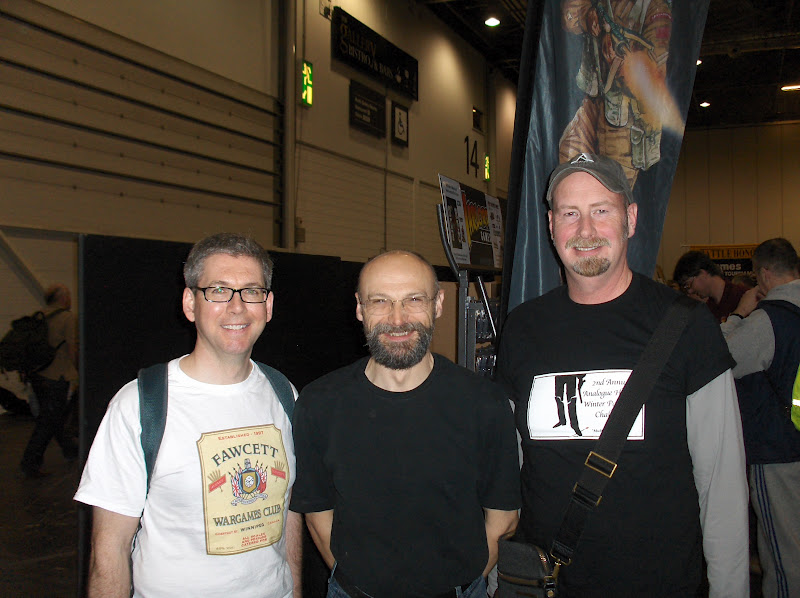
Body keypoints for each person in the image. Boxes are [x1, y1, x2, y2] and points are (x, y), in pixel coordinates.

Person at [496, 153, 749, 597]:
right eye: (570, 213)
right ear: (551, 225)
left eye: (601, 211)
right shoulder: (522, 329)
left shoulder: (687, 325)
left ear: (630, 219)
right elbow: (507, 466)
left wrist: (730, 589)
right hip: (548, 584)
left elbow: (722, 485)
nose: (585, 230)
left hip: (659, 584)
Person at [74, 233, 301, 598]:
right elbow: (109, 551)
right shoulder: (140, 405)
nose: (237, 307)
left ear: (268, 305)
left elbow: (287, 513)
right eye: (218, 290)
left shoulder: (283, 393)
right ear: (190, 303)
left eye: (251, 291)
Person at [290, 250, 520, 598]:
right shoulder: (318, 404)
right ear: (359, 308)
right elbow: (318, 513)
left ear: (438, 304)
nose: (397, 319)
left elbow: (504, 518)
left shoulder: (485, 404)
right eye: (380, 301)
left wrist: (459, 588)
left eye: (413, 300)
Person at [721, 237, 800, 598]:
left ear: (764, 274)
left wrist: (738, 315)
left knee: (784, 555)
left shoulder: (769, 319)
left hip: (777, 452)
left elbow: (723, 360)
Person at [20, 283, 78, 477]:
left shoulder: (39, 316)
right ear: (62, 299)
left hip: (38, 375)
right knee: (49, 419)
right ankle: (30, 462)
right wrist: (77, 371)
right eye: (67, 295)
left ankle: (70, 449)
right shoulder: (67, 318)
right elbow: (72, 347)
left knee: (53, 415)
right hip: (58, 375)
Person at [673, 250, 748, 322]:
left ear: (703, 273)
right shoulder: (709, 308)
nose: (690, 291)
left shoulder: (742, 297)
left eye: (689, 284)